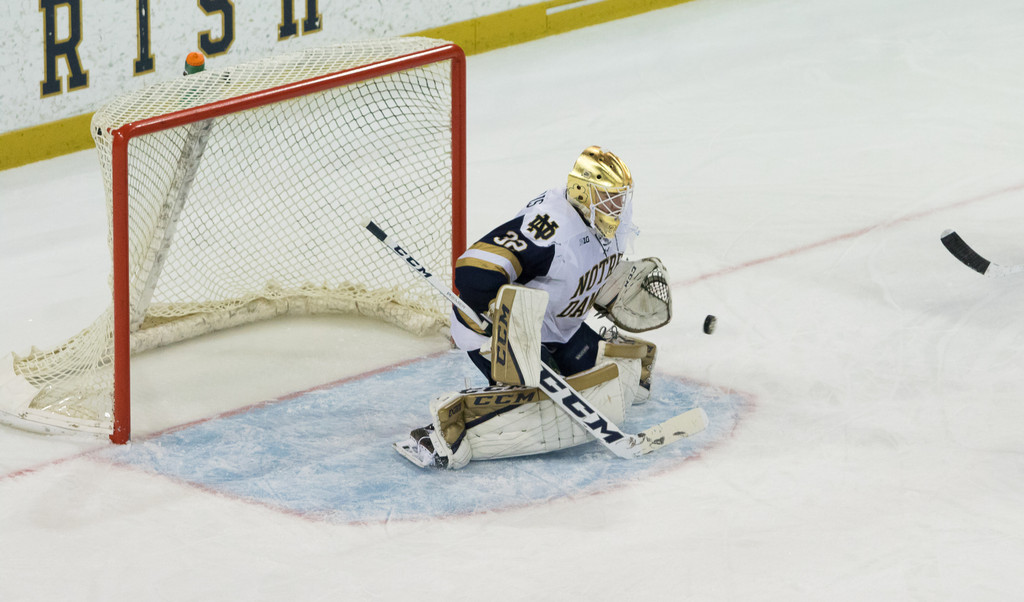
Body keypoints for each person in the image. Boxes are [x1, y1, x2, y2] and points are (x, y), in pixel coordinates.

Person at [394, 146, 672, 469]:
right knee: (543, 409)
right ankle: (442, 430)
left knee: (612, 378)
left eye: (621, 198)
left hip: (556, 327)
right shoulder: (553, 228)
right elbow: (474, 268)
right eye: (609, 198)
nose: (618, 207)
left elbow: (583, 272)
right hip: (502, 332)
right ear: (582, 192)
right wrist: (496, 316)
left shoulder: (606, 222)